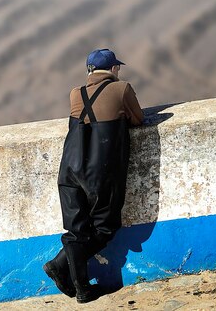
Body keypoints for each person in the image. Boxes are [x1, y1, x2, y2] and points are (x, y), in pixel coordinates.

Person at [43, 48, 143, 303]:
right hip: (99, 172)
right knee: (105, 227)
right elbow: (138, 119)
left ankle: (83, 289)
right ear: (113, 69)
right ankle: (59, 264)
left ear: (89, 71)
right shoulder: (122, 89)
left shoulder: (75, 93)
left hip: (69, 169)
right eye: (117, 67)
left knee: (76, 230)